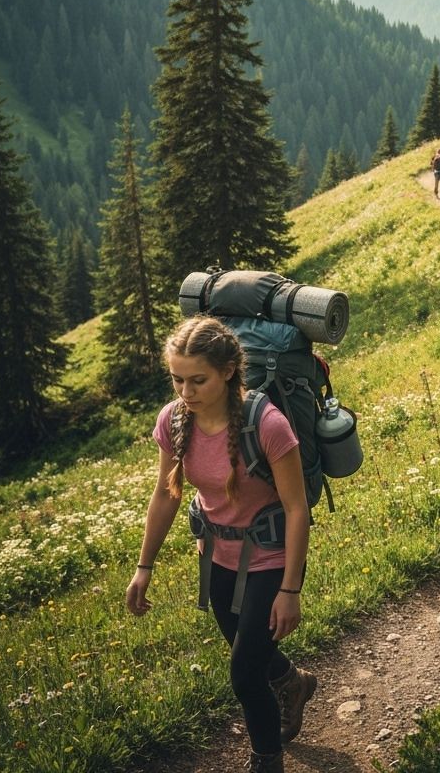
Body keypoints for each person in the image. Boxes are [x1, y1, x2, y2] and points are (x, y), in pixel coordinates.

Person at [125, 316, 317, 773]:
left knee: (244, 673)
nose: (185, 391)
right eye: (177, 379)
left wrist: (290, 590)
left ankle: (266, 760)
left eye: (198, 380)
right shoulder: (173, 420)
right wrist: (144, 566)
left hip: (271, 558)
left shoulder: (266, 424)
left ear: (228, 371)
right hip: (217, 558)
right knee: (251, 655)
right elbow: (165, 494)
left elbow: (297, 509)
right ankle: (291, 681)